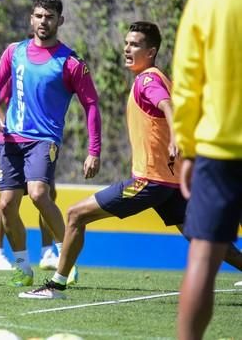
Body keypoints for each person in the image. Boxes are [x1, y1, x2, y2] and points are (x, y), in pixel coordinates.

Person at [20, 21, 242, 300]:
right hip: (168, 183)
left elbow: (167, 106)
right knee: (202, 238)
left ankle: (57, 285)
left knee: (76, 214)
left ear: (150, 52)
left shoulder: (148, 79)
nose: (127, 48)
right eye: (126, 43)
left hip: (150, 181)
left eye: (134, 44)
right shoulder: (157, 77)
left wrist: (176, 138)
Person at [0, 0, 101, 287]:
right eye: (38, 16)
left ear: (60, 21)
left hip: (43, 140)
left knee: (38, 193)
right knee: (7, 204)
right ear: (31, 18)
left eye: (49, 17)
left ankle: (66, 260)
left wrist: (94, 150)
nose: (42, 22)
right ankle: (23, 267)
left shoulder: (71, 62)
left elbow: (91, 105)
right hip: (10, 138)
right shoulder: (15, 51)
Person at [173, 0, 242, 339]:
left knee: (203, 257)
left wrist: (187, 146)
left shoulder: (208, 0)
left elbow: (186, 86)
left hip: (218, 149)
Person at [0, 79, 60, 271]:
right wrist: (0, 121)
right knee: (6, 199)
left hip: (38, 138)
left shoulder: (43, 66)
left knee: (47, 192)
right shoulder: (15, 63)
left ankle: (47, 253)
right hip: (10, 139)